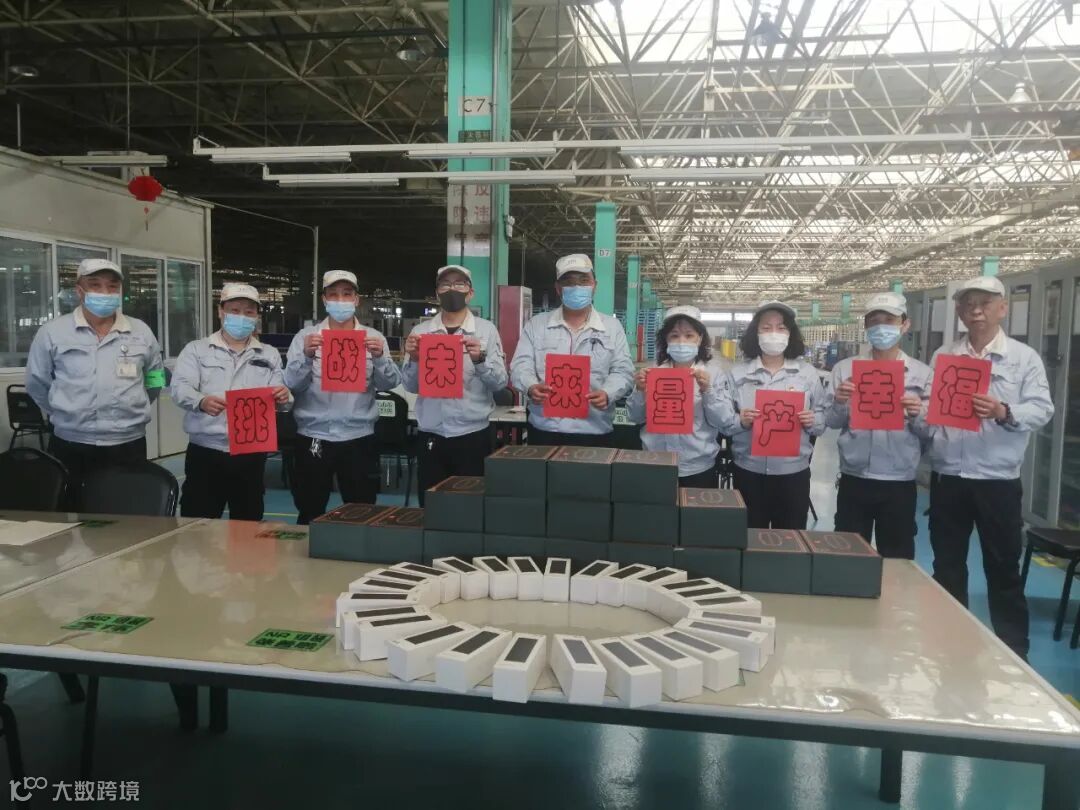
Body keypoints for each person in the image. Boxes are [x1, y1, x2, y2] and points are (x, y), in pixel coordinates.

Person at [920, 276, 1053, 659]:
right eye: (968, 304)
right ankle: (949, 645)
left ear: (1002, 308)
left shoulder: (1023, 359)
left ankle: (1014, 652)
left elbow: (1042, 409)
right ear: (959, 311)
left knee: (1003, 567)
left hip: (997, 481)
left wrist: (1003, 411)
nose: (976, 311)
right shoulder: (944, 356)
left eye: (985, 303)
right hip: (949, 478)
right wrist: (920, 411)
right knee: (947, 565)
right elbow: (931, 405)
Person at [25, 258, 164, 503]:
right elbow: (37, 382)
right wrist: (65, 412)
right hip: (71, 443)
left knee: (126, 512)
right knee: (70, 511)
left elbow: (155, 377)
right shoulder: (53, 332)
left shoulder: (141, 331)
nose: (105, 292)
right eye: (95, 285)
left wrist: (135, 404)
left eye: (112, 286)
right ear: (80, 291)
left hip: (127, 443)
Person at [285, 270, 402, 524]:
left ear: (356, 299)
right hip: (314, 435)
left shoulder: (374, 338)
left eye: (347, 294)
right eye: (333, 294)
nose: (340, 300)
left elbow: (390, 383)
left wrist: (380, 358)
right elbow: (291, 384)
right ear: (324, 299)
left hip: (358, 438)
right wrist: (306, 357)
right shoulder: (305, 338)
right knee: (309, 509)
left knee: (362, 512)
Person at [170, 284, 291, 521]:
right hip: (206, 451)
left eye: (249, 312)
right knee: (198, 523)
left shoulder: (269, 354)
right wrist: (201, 401)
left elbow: (281, 393)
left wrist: (284, 397)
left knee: (248, 522)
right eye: (234, 310)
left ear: (256, 316)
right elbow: (180, 388)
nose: (242, 317)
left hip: (250, 454)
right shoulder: (197, 350)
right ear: (220, 311)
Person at [826, 292, 931, 558]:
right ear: (865, 326)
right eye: (874, 321)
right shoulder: (844, 370)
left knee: (897, 558)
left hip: (899, 482)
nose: (881, 327)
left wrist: (917, 414)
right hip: (855, 478)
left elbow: (930, 431)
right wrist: (840, 401)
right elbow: (832, 422)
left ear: (905, 324)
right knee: (849, 556)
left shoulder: (922, 374)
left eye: (889, 320)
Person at [402, 265, 508, 503]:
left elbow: (500, 382)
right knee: (431, 504)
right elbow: (410, 385)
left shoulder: (486, 331)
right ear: (437, 292)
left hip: (472, 434)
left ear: (470, 293)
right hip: (431, 433)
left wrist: (480, 360)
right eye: (445, 284)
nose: (452, 289)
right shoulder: (421, 332)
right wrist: (415, 359)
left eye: (459, 284)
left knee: (470, 504)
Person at [719, 300, 828, 529]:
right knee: (749, 537)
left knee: (789, 539)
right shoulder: (737, 374)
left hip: (793, 475)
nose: (773, 333)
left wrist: (812, 420)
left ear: (790, 334)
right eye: (766, 328)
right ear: (756, 333)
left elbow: (821, 422)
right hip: (748, 472)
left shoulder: (807, 374)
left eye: (781, 328)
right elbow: (724, 423)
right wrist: (741, 421)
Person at [509, 254, 634, 447]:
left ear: (594, 285)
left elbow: (623, 370)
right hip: (545, 429)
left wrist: (608, 393)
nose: (576, 287)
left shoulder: (612, 327)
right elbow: (520, 365)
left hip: (594, 430)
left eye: (583, 280)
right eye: (568, 282)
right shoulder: (537, 325)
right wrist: (531, 386)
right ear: (558, 289)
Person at [626, 305, 726, 488]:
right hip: (656, 463)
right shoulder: (652, 373)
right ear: (666, 339)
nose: (681, 342)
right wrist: (640, 390)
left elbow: (723, 421)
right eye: (674, 335)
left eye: (689, 335)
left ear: (700, 338)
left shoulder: (714, 374)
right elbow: (634, 416)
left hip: (698, 466)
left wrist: (707, 391)